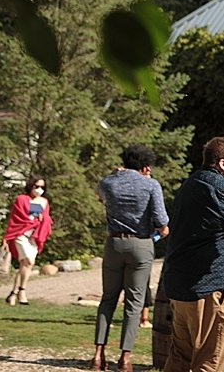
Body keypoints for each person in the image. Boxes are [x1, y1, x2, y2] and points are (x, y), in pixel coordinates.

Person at [161, 136, 224, 372]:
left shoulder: (193, 182)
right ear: (223, 164)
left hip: (183, 286)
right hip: (212, 286)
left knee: (180, 360)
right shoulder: (219, 186)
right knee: (213, 361)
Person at [93, 145, 171, 372]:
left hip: (114, 243)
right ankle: (125, 357)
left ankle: (98, 354)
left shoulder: (109, 182)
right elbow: (161, 220)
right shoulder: (150, 185)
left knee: (107, 299)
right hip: (141, 244)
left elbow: (99, 193)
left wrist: (116, 174)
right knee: (134, 304)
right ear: (146, 167)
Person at [2, 174, 52, 306]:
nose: (39, 189)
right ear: (31, 186)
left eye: (42, 187)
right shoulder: (21, 199)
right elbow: (17, 218)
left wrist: (42, 218)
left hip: (34, 237)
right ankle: (22, 291)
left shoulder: (44, 202)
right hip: (21, 234)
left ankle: (13, 293)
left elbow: (45, 219)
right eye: (37, 186)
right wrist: (6, 238)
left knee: (24, 265)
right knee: (29, 261)